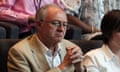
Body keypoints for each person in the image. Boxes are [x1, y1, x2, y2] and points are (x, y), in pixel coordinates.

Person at [7, 4, 83, 72]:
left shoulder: (72, 48)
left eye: (65, 25)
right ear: (39, 25)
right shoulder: (20, 52)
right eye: (56, 23)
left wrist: (79, 68)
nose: (61, 29)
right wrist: (62, 67)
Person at [0, 0, 99, 38]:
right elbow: (2, 11)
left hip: (50, 29)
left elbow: (60, 11)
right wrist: (28, 18)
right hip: (26, 30)